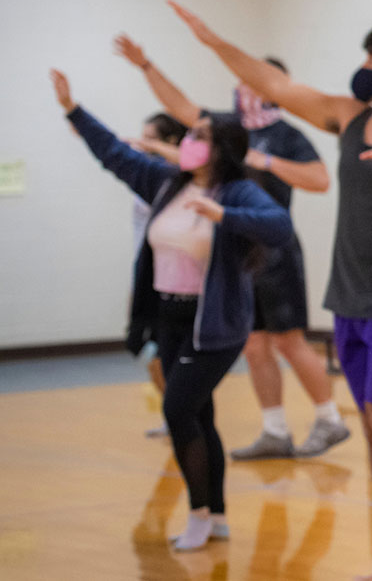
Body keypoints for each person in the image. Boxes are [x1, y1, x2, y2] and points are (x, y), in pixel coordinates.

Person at [164, 0, 372, 581]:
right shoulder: (349, 117)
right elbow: (274, 82)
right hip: (351, 300)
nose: (364, 64)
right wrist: (211, 40)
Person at [50, 69, 293, 552]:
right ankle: (218, 516)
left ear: (222, 148)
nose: (189, 142)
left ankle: (199, 513)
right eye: (190, 136)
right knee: (199, 416)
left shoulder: (236, 192)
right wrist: (73, 110)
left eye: (200, 137)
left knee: (177, 407)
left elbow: (279, 225)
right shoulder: (166, 184)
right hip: (169, 317)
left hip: (215, 325)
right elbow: (115, 155)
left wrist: (225, 216)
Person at [114, 34, 349, 459]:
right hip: (232, 252)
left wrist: (266, 162)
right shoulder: (230, 126)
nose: (244, 86)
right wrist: (146, 66)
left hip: (274, 250)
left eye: (255, 79)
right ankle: (275, 429)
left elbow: (319, 180)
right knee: (254, 344)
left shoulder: (286, 135)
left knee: (289, 341)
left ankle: (330, 418)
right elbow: (182, 107)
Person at [129, 111, 190, 437]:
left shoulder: (177, 176)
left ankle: (181, 414)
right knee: (152, 355)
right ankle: (176, 415)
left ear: (170, 142)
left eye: (150, 137)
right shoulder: (147, 173)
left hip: (170, 279)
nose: (143, 143)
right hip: (146, 275)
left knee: (164, 356)